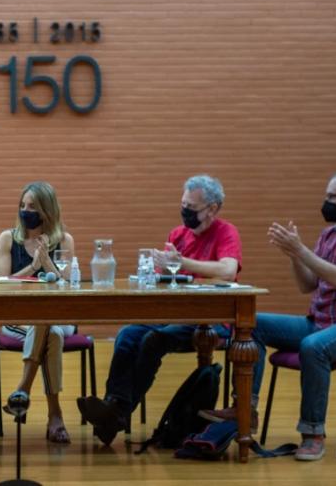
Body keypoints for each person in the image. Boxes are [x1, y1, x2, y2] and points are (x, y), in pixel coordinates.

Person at [202, 171, 336, 461]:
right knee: (250, 323)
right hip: (318, 322)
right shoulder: (329, 235)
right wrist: (293, 254)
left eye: (332, 197)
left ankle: (313, 433)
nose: (325, 202)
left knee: (313, 346)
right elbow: (308, 285)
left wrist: (301, 249)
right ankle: (245, 410)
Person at [77, 174, 242, 445]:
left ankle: (117, 413)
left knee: (154, 340)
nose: (185, 212)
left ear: (212, 209)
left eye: (192, 207)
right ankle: (115, 404)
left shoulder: (226, 232)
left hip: (210, 321)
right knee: (129, 334)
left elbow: (228, 270)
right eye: (183, 205)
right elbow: (162, 279)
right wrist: (157, 271)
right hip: (175, 315)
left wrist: (182, 262)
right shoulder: (178, 235)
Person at [0, 181, 75, 444]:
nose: (25, 210)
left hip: (59, 317)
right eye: (22, 205)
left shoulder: (64, 240)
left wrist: (47, 262)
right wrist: (33, 267)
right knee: (51, 333)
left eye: (32, 206)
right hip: (18, 318)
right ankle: (55, 416)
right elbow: (2, 284)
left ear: (47, 210)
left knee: (50, 324)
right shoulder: (8, 238)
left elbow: (67, 286)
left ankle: (22, 389)